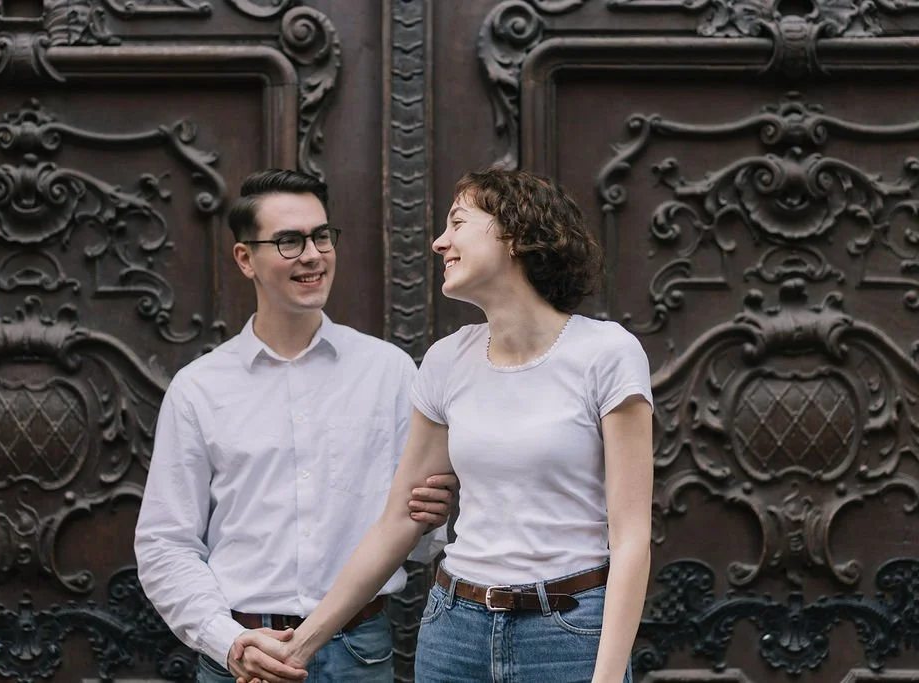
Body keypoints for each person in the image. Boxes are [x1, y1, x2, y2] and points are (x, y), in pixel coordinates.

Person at [236, 168, 654, 683]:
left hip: (568, 632)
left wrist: (608, 679)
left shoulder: (606, 353)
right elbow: (398, 521)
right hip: (454, 629)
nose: (439, 242)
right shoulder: (445, 361)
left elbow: (631, 537)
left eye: (457, 222)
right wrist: (298, 648)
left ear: (516, 234)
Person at [134, 169, 458, 683]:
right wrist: (228, 641)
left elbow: (420, 540)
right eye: (288, 241)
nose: (312, 254)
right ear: (245, 258)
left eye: (321, 236)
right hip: (241, 658)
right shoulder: (199, 388)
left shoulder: (390, 372)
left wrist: (430, 518)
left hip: (359, 651)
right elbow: (165, 543)